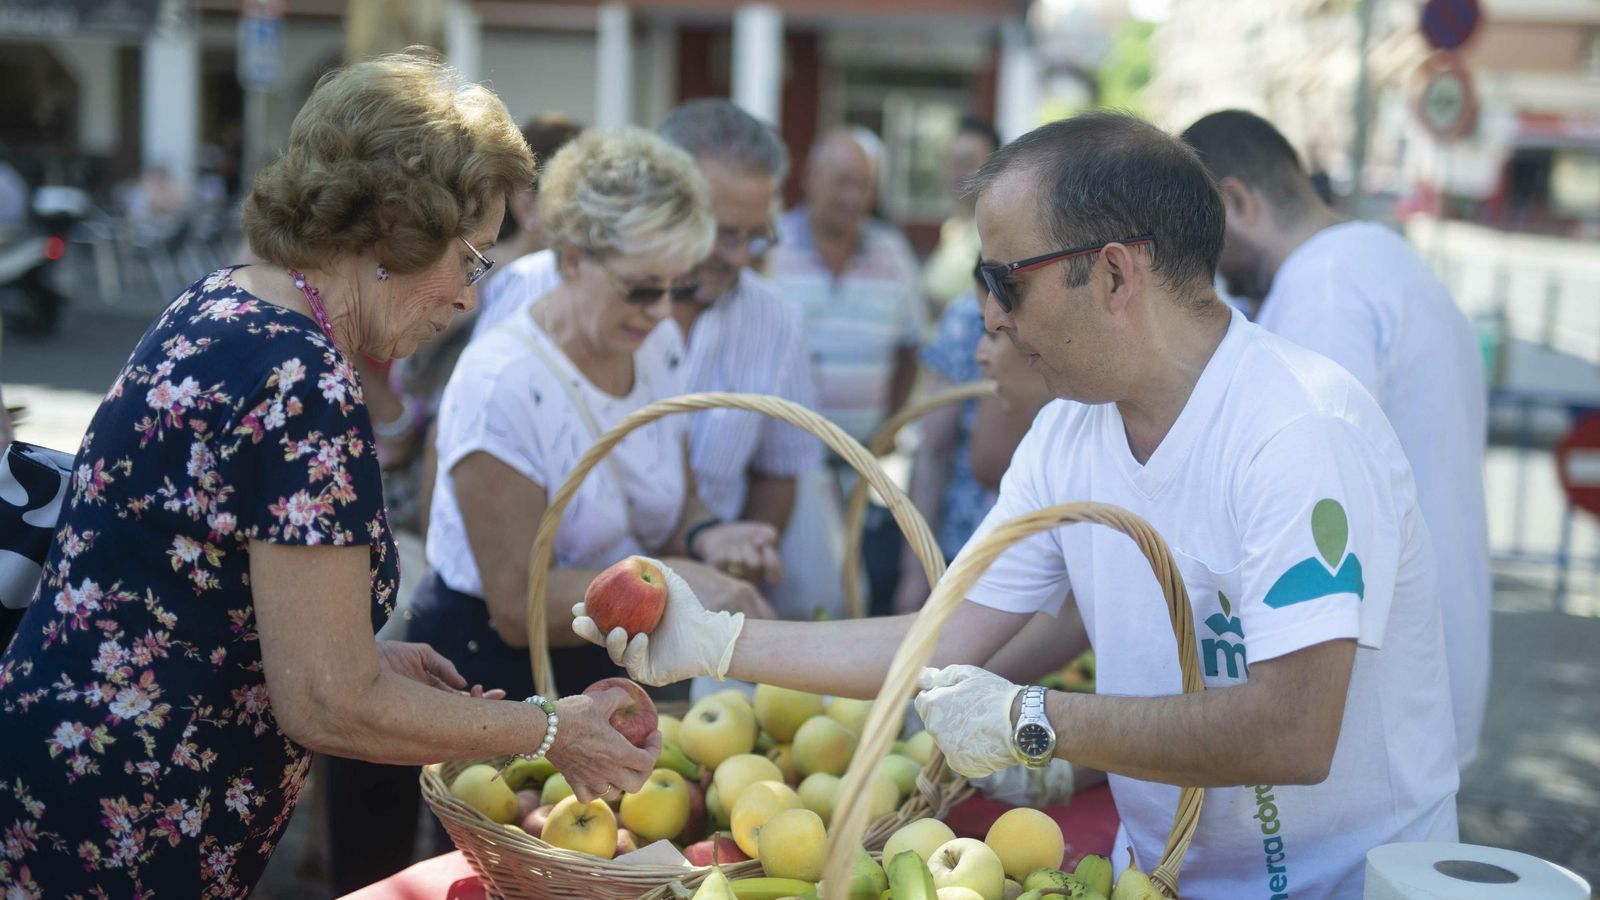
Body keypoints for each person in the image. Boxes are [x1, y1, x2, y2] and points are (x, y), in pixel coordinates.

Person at [574, 111, 1459, 898]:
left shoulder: (1299, 429)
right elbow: (939, 636)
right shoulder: (1072, 431)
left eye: (1006, 280)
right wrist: (718, 640)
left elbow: (1294, 733)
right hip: (1159, 877)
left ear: (1113, 275)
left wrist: (1032, 720)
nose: (991, 317)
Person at [0, 52, 658, 899]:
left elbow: (193, 585)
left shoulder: (224, 299)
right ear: (397, 232)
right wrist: (546, 729)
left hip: (65, 775)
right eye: (471, 259)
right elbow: (327, 702)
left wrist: (362, 653)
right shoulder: (303, 380)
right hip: (128, 823)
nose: (469, 296)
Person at [1182, 109, 1490, 769]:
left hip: (1377, 688)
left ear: (1237, 203)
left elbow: (1307, 486)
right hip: (1422, 662)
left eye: (1204, 237)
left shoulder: (1320, 290)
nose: (1209, 271)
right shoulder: (1380, 259)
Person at [476, 100, 821, 566]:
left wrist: (726, 554)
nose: (739, 256)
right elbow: (506, 571)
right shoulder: (532, 293)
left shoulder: (760, 324)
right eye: (720, 233)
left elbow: (768, 476)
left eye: (756, 236)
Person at [769, 130, 924, 447]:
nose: (852, 197)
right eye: (842, 182)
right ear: (810, 178)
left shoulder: (893, 251)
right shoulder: (771, 246)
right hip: (780, 458)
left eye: (864, 185)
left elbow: (910, 349)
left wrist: (889, 429)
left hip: (863, 455)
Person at [919, 118, 1002, 318]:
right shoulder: (952, 227)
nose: (957, 173)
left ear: (996, 167)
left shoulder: (999, 232)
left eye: (968, 163)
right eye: (952, 162)